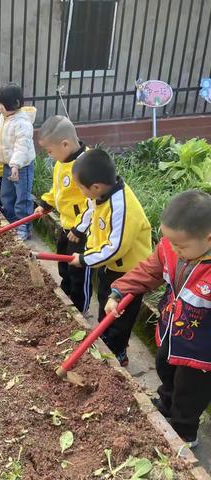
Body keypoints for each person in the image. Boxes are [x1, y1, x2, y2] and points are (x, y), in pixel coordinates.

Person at [105, 191, 211, 448]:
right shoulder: (170, 248)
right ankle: (165, 405)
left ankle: (184, 434)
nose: (174, 249)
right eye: (170, 242)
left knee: (190, 391)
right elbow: (149, 270)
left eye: (181, 246)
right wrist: (118, 291)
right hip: (172, 332)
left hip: (201, 351)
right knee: (164, 366)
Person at [69, 149, 152, 366]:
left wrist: (86, 259)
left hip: (130, 271)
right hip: (110, 267)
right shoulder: (100, 197)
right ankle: (107, 343)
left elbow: (115, 248)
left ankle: (117, 355)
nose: (79, 191)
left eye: (80, 187)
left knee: (119, 317)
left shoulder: (121, 206)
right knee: (106, 307)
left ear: (95, 187)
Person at [34, 116, 93, 313]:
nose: (49, 155)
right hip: (66, 225)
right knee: (63, 264)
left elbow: (94, 204)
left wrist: (80, 228)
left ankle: (80, 308)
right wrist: (46, 203)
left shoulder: (87, 165)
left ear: (65, 144)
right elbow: (57, 189)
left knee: (78, 271)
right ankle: (66, 296)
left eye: (50, 151)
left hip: (81, 230)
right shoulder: (62, 162)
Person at [0, 83, 36, 240]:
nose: (0, 107)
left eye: (4, 104)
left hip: (22, 167)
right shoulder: (0, 121)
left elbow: (22, 147)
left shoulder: (23, 123)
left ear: (16, 103)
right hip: (8, 165)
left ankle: (24, 227)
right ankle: (11, 222)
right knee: (6, 195)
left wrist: (16, 164)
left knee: (23, 198)